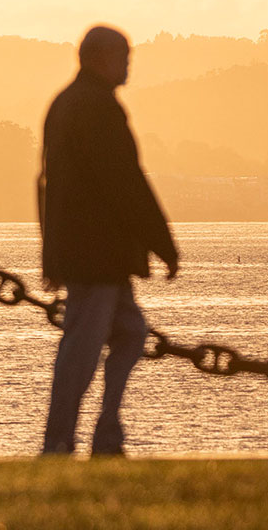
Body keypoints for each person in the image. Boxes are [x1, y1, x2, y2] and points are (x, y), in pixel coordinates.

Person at [38, 24, 180, 456]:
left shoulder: (65, 104)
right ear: (100, 59)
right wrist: (163, 243)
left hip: (85, 252)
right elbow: (125, 182)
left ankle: (107, 430)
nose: (129, 64)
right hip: (97, 255)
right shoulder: (98, 108)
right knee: (81, 350)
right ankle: (60, 440)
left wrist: (52, 253)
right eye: (124, 56)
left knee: (131, 334)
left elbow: (47, 186)